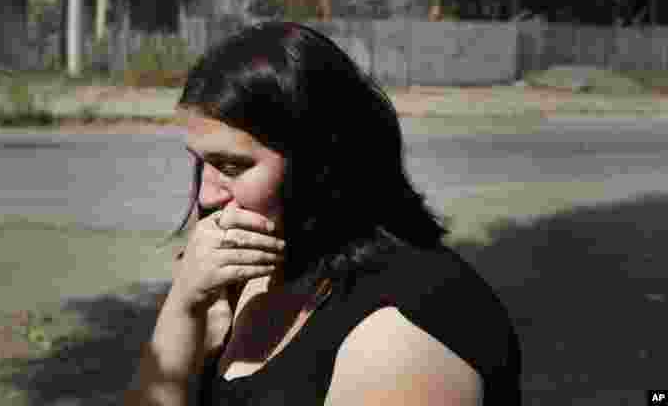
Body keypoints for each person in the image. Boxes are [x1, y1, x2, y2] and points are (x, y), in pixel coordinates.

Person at [123, 21, 521, 405]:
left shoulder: (400, 334)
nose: (207, 195)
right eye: (201, 163)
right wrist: (182, 313)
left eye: (232, 167)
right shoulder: (250, 271)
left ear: (320, 163)